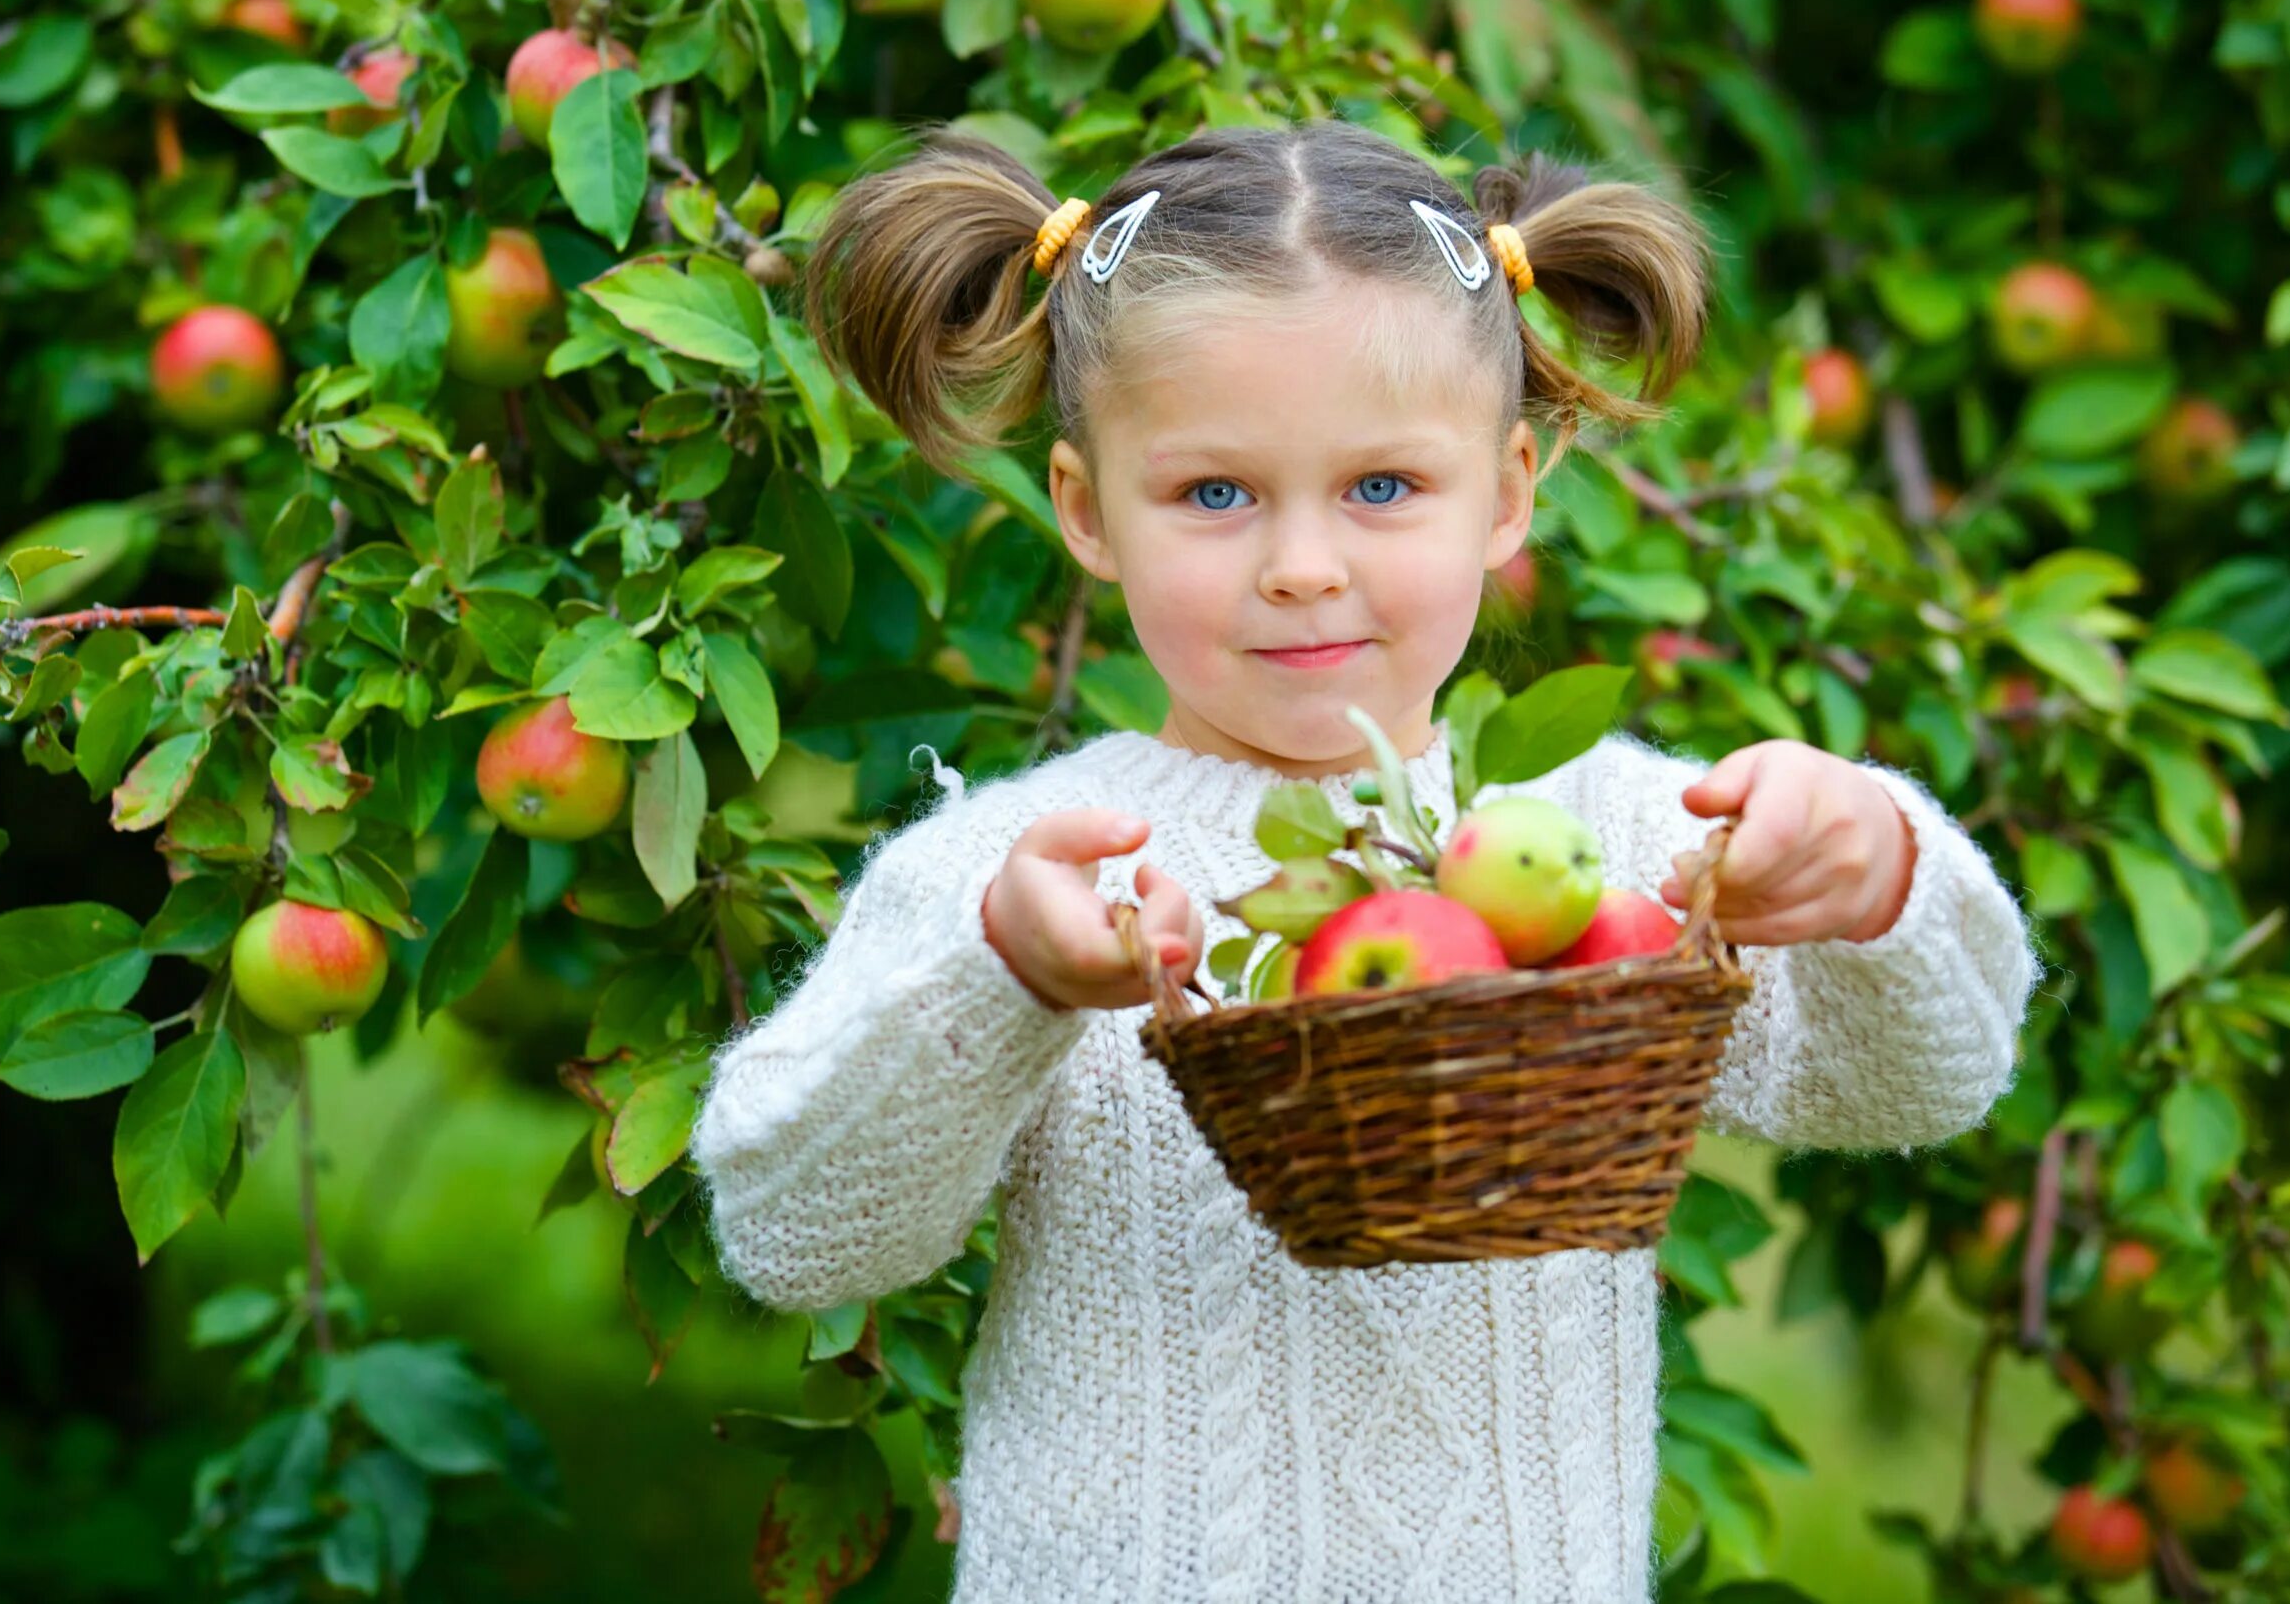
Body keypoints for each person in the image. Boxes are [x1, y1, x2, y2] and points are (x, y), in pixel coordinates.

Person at [688, 120, 2041, 1603]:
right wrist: (1002, 984)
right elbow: (793, 1226)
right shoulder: (1039, 877)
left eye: (1384, 487)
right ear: (1086, 511)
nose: (1303, 565)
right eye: (1215, 494)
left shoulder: (1602, 850)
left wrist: (1880, 876)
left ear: (1510, 490)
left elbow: (1927, 1074)